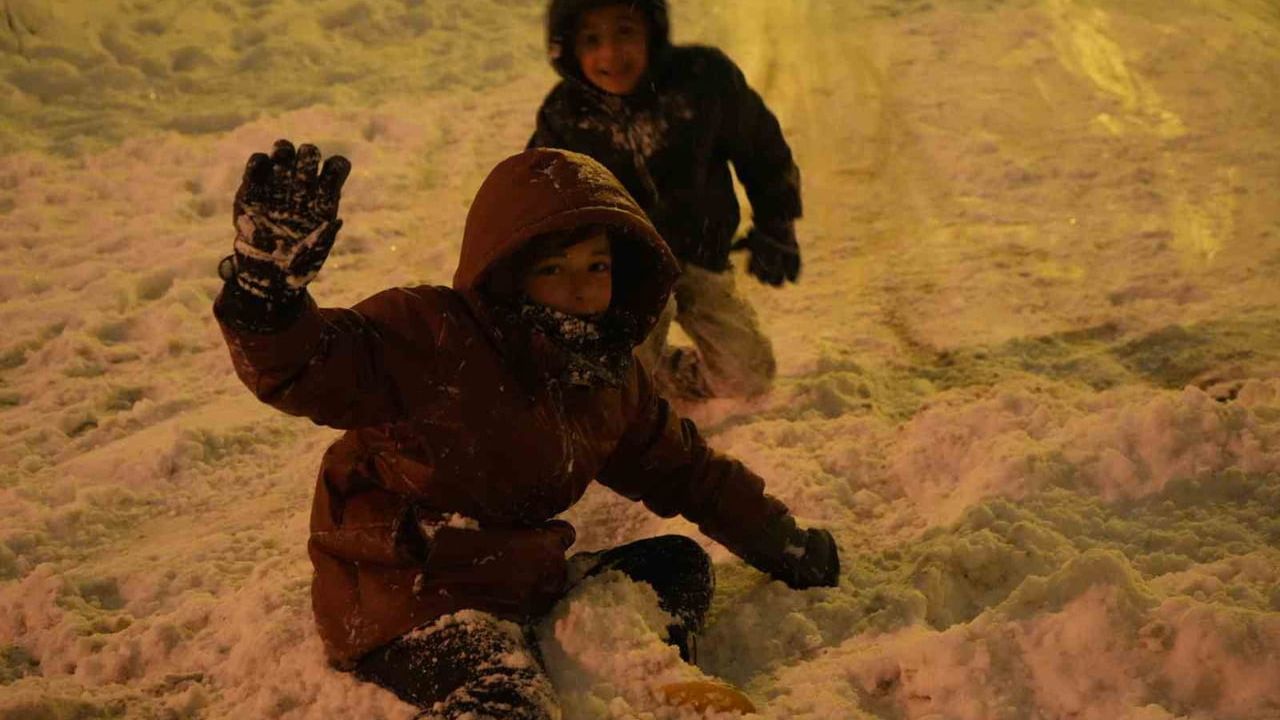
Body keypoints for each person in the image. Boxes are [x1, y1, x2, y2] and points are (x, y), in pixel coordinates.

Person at [213, 141, 837, 719]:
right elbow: (308, 366)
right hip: (406, 593)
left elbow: (689, 473)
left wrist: (785, 543)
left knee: (676, 565)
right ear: (508, 273)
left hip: (515, 577)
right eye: (553, 269)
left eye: (597, 267)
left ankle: (618, 667)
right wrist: (263, 299)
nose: (581, 290)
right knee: (507, 694)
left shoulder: (605, 375)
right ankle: (547, 679)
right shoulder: (430, 335)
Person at [528, 0, 803, 401]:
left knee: (748, 378)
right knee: (622, 388)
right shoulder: (565, 116)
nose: (610, 54)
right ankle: (635, 383)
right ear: (567, 49)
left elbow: (761, 149)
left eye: (624, 31)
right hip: (627, 274)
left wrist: (776, 224)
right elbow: (540, 196)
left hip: (700, 254)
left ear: (650, 30)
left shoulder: (702, 83)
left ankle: (668, 376)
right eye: (591, 39)